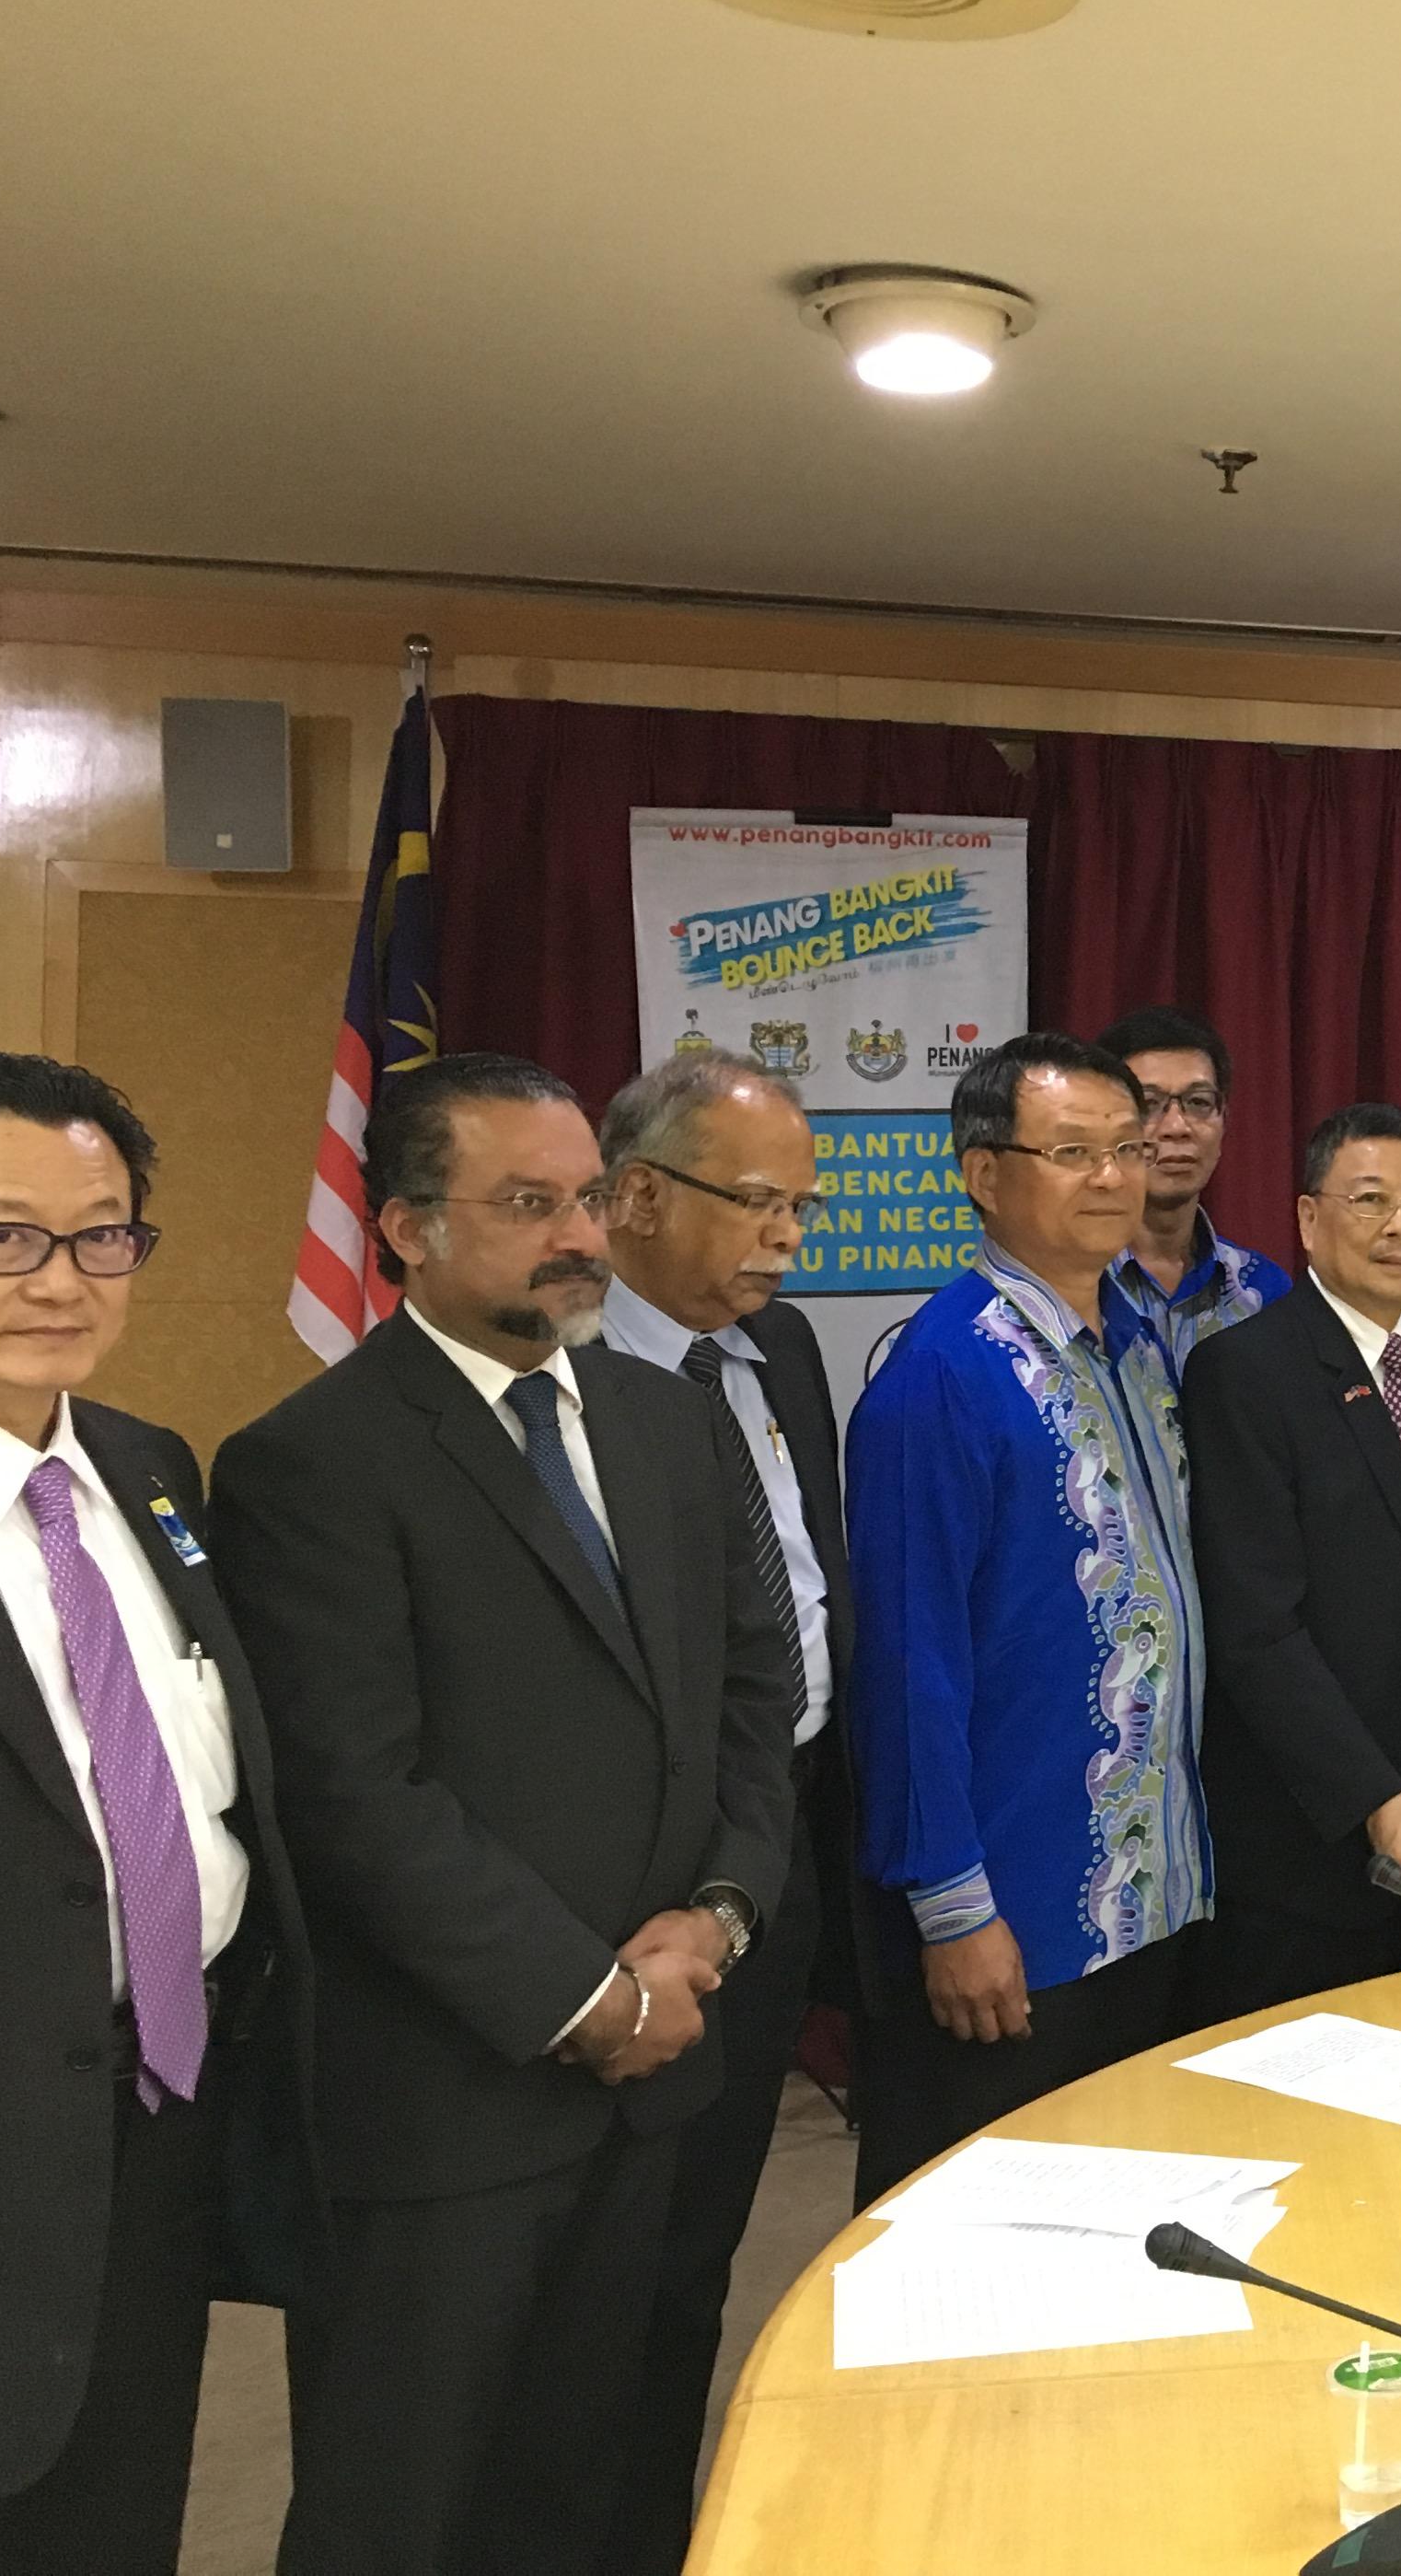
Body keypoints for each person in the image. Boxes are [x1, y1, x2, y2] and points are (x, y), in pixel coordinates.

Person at [211, 1053, 797, 2576]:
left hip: (659, 2064)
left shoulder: (667, 1423)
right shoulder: (308, 1462)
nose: (582, 1235)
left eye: (590, 1196)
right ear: (403, 1226)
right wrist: (585, 1995)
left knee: (587, 2484)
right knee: (400, 2505)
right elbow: (352, 1790)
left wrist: (718, 1917)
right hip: (445, 2103)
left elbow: (754, 1697)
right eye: (529, 1202)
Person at [0, 1056, 315, 2576]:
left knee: (111, 2508)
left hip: (158, 2112)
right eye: (1, 1233)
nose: (63, 1277)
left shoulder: (145, 1466)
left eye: (103, 1233)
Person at [846, 1033, 1209, 2205]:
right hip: (1015, 1916)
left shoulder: (1137, 1346)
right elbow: (909, 1666)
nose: (1112, 1177)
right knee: (975, 2233)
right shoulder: (939, 1375)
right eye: (1071, 1152)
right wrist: (953, 1911)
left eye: (1125, 1148)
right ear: (982, 1172)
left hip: (1149, 1899)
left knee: (1128, 2216)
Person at [590, 1053, 858, 2575]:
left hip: (785, 1837)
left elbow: (805, 1598)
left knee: (703, 2242)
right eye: (754, 1201)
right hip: (641, 1880)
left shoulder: (787, 1353)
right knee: (610, 2261)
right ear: (633, 1194)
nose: (784, 1238)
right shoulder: (566, 1373)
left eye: (800, 1206)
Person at [1179, 1105, 1401, 2024]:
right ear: (1309, 1219)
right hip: (1313, 1838)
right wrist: (1374, 1796)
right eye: (1374, 1200)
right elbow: (1256, 1626)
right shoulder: (1245, 1370)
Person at [1091, 1004, 1291, 1380]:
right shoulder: (1075, 1285)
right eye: (1148, 1104)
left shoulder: (1263, 1290)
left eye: (1199, 1103)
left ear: (1224, 1121)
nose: (1177, 1127)